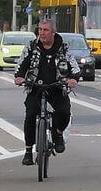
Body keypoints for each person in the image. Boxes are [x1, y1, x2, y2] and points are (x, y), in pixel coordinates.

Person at [13, 19, 80, 165]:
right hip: (36, 88)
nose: (42, 33)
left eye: (45, 30)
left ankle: (58, 134)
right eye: (40, 30)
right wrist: (19, 77)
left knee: (64, 112)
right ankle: (28, 150)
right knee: (30, 114)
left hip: (57, 88)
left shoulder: (63, 49)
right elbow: (21, 65)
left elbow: (74, 68)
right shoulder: (31, 47)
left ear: (53, 32)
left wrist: (73, 79)